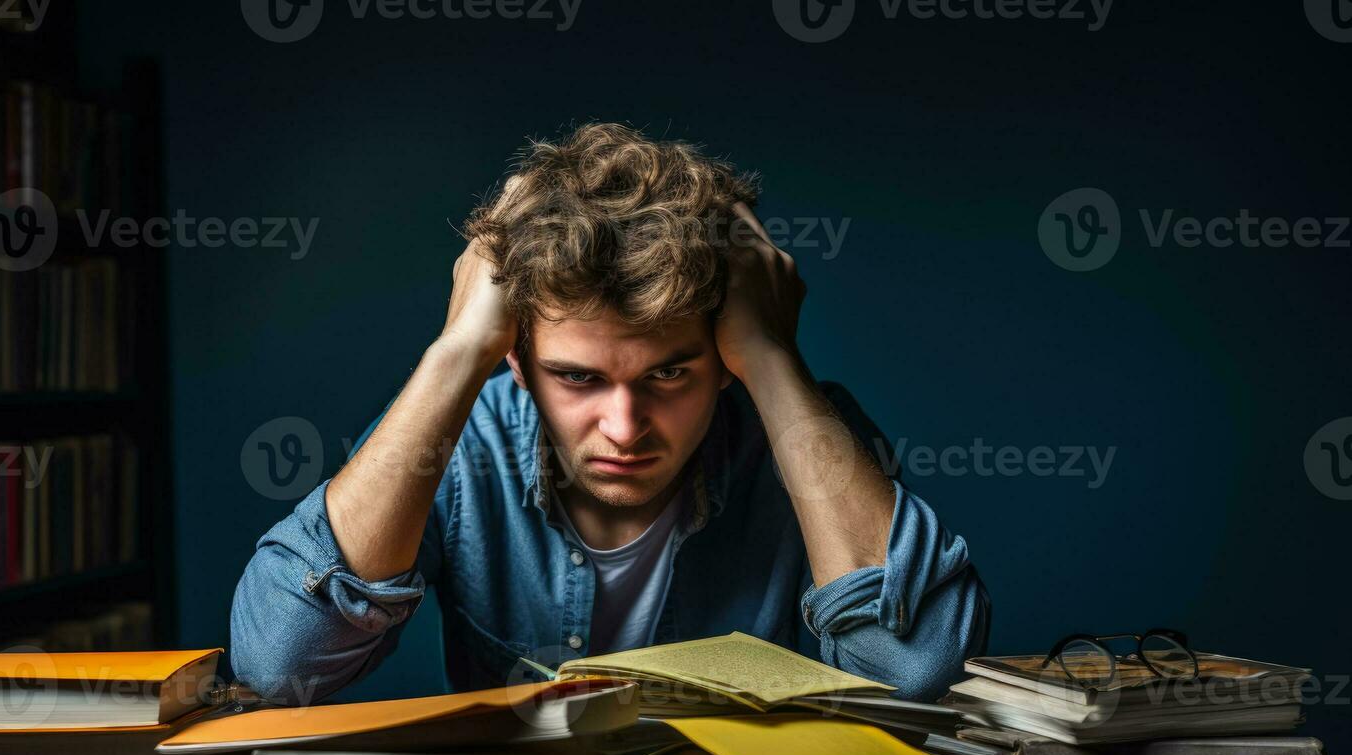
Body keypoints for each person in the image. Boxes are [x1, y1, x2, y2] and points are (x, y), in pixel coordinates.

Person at [229, 122, 990, 707]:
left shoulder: (799, 440)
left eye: (670, 372)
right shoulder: (460, 444)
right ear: (517, 361)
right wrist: (457, 350)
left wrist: (771, 356)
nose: (625, 427)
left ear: (721, 358)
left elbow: (920, 673)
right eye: (577, 376)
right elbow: (279, 664)